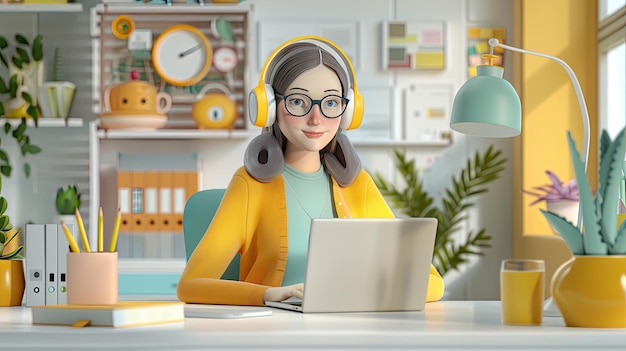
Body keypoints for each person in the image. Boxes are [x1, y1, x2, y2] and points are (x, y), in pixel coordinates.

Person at [177, 36, 445, 306]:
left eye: (330, 103)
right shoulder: (250, 185)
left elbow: (433, 283)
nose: (316, 119)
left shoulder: (358, 186)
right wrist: (266, 295)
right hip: (272, 333)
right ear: (269, 108)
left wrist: (368, 293)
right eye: (298, 102)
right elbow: (190, 287)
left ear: (347, 111)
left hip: (347, 330)